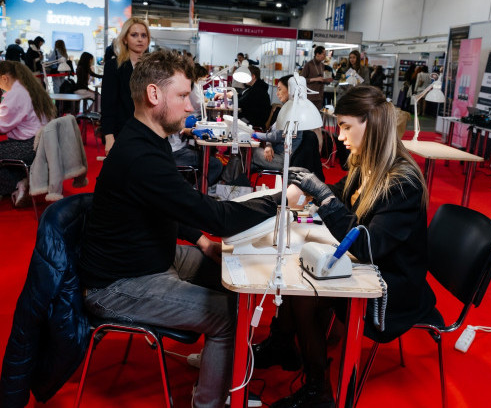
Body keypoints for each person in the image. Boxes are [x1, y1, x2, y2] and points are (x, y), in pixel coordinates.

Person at [78, 50, 287, 408]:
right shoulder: (140, 155)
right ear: (154, 95)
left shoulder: (148, 139)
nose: (191, 106)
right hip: (117, 284)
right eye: (182, 96)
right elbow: (217, 217)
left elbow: (169, 206)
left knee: (235, 278)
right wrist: (279, 200)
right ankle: (208, 402)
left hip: (150, 257)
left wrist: (202, 241)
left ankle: (216, 367)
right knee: (228, 315)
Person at [253, 85, 436, 408]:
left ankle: (319, 391)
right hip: (374, 268)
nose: (340, 136)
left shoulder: (402, 182)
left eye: (346, 126)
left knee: (307, 292)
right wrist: (315, 188)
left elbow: (367, 246)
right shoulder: (366, 163)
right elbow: (340, 194)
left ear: (372, 124)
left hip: (393, 286)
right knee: (300, 272)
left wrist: (322, 196)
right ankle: (283, 346)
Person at [0, 61, 55, 205]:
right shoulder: (29, 87)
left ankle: (18, 183)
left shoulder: (16, 93)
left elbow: (3, 126)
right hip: (40, 144)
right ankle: (23, 182)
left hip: (28, 146)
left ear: (4, 78)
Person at [101, 17, 150, 155]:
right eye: (134, 35)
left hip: (149, 134)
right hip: (122, 132)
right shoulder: (113, 66)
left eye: (144, 35)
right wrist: (109, 136)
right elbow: (107, 105)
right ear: (125, 39)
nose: (140, 39)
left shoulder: (154, 68)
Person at [169, 63, 223, 186]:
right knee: (215, 165)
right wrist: (190, 128)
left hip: (179, 147)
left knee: (205, 153)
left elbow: (178, 129)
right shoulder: (168, 108)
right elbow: (172, 128)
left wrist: (192, 130)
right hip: (174, 152)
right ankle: (195, 190)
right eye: (184, 96)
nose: (189, 106)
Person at [251, 74, 302, 171]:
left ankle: (227, 178)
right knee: (244, 160)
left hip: (281, 160)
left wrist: (253, 134)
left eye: (279, 89)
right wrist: (268, 145)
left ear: (290, 90)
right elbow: (272, 133)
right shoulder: (286, 109)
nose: (277, 93)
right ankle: (231, 179)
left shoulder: (293, 112)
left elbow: (276, 136)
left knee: (248, 152)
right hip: (274, 154)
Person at [215, 65, 271, 129]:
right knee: (230, 118)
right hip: (250, 118)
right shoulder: (254, 87)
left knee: (230, 120)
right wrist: (228, 95)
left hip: (253, 122)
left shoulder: (257, 90)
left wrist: (232, 96)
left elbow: (239, 103)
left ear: (253, 76)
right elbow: (243, 97)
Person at [301, 46, 333, 110]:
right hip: (310, 96)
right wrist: (315, 79)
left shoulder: (322, 65)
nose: (325, 56)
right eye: (324, 54)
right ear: (317, 54)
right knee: (309, 113)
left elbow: (321, 78)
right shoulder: (308, 65)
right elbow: (302, 79)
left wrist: (326, 80)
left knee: (318, 113)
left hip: (320, 96)